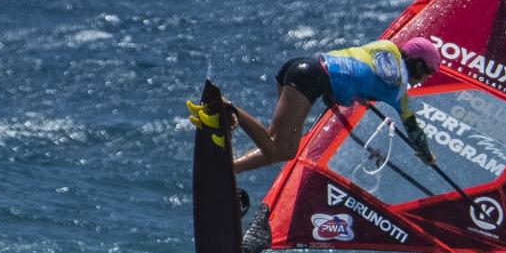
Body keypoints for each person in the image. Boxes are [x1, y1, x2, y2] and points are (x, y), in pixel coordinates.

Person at [189, 37, 442, 174]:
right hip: (312, 80)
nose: (426, 78)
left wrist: (353, 94)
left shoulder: (386, 46)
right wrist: (426, 156)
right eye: (428, 73)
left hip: (300, 65)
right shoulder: (399, 89)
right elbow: (414, 130)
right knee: (282, 149)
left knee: (278, 143)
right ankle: (227, 108)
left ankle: (231, 170)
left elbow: (357, 71)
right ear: (419, 65)